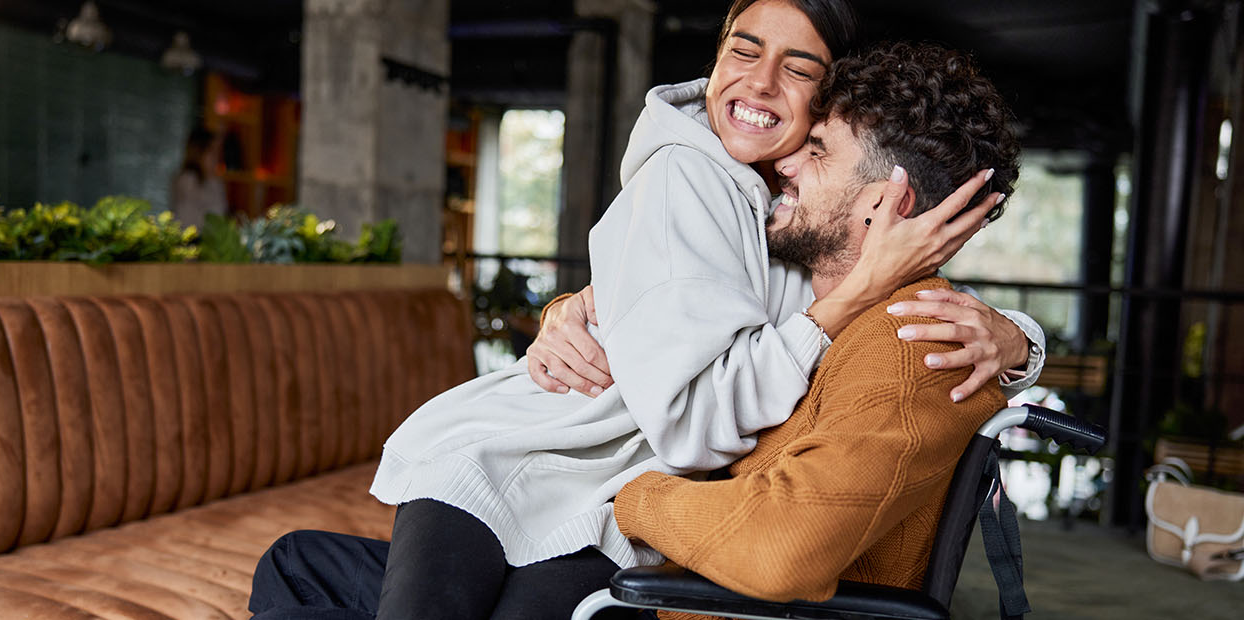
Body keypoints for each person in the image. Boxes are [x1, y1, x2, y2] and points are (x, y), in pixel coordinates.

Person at [251, 1, 1036, 618]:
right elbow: (697, 361)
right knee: (311, 566)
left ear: (884, 200)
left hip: (630, 523)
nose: (767, 99)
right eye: (742, 50)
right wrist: (586, 307)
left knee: (300, 566)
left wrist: (1015, 338)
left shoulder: (875, 309)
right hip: (525, 466)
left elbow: (783, 512)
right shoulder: (730, 206)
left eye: (803, 85)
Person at [614, 39, 1021, 609]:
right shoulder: (816, 298)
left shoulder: (916, 347)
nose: (784, 164)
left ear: (884, 205)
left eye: (819, 151)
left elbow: (778, 551)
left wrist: (637, 499)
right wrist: (575, 307)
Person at [169, 125, 228, 229]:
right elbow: (187, 222)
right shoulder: (188, 181)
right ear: (198, 153)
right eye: (212, 152)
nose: (217, 158)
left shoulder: (214, 181)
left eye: (218, 153)